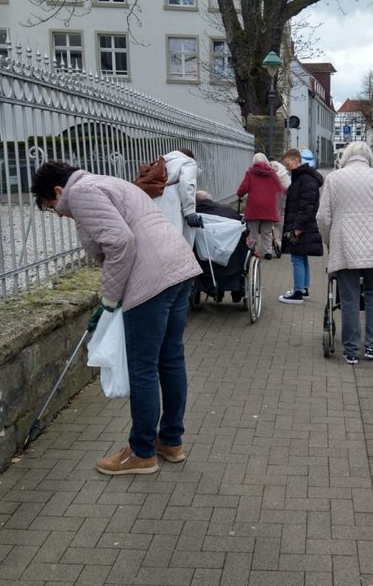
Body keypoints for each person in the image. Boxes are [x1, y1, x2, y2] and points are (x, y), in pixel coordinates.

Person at [30, 161, 202, 476]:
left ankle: (141, 452)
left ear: (58, 190)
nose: (57, 212)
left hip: (150, 280)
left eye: (51, 205)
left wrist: (109, 300)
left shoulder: (80, 192)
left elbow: (120, 242)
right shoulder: (106, 181)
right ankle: (171, 441)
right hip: (179, 269)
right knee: (171, 359)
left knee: (143, 368)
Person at [317, 141, 373, 363]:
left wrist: (329, 242)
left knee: (349, 298)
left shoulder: (334, 179)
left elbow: (323, 218)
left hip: (345, 242)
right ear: (368, 157)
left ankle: (351, 350)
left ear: (346, 157)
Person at [278, 147, 324, 304]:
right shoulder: (303, 178)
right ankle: (303, 289)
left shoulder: (305, 179)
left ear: (296, 160)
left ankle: (298, 292)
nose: (286, 167)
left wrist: (297, 227)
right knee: (302, 257)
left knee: (297, 257)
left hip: (301, 225)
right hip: (303, 224)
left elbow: (307, 206)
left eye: (287, 163)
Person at [236, 153, 284, 259]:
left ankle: (253, 251)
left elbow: (243, 188)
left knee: (252, 232)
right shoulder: (272, 173)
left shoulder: (250, 173)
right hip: (269, 206)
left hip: (254, 206)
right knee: (266, 232)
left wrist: (239, 194)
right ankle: (268, 252)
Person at [153, 147, 203, 246]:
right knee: (174, 242)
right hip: (172, 205)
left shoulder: (158, 163)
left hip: (154, 205)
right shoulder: (188, 162)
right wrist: (189, 211)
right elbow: (187, 184)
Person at [270, 159, 291, 249]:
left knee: (272, 217)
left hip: (274, 195)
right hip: (284, 194)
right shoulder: (283, 172)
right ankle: (281, 238)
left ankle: (273, 237)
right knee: (282, 216)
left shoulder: (269, 168)